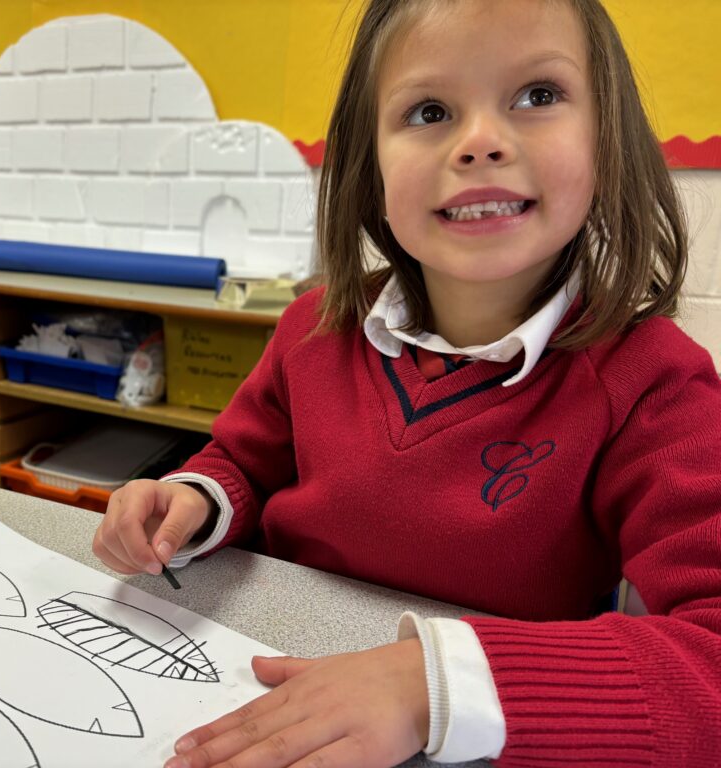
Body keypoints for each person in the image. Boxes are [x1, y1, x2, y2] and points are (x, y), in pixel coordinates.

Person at [92, 0, 721, 765]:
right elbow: (244, 461)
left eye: (538, 96)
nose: (482, 142)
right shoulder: (313, 325)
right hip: (256, 684)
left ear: (608, 135)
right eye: (429, 110)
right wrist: (194, 498)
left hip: (474, 732)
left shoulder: (655, 383)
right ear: (371, 159)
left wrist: (434, 688)